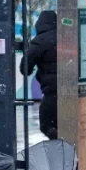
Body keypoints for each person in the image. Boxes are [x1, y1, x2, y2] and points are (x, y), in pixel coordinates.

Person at [19, 10, 58, 140]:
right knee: (66, 124)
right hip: (72, 91)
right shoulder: (67, 37)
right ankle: (68, 151)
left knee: (46, 125)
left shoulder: (40, 41)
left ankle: (61, 146)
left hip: (52, 93)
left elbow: (25, 67)